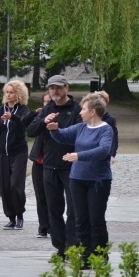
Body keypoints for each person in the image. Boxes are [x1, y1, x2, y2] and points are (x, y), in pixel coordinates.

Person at [47, 93, 114, 267]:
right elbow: (63, 136)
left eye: (83, 109)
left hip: (98, 181)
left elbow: (104, 150)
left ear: (93, 111)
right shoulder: (81, 127)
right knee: (81, 219)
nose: (80, 112)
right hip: (77, 179)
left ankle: (99, 255)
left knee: (96, 219)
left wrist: (79, 156)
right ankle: (85, 255)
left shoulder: (106, 129)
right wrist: (54, 130)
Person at [26, 75, 82, 261]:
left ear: (66, 88)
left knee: (74, 209)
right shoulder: (48, 108)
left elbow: (81, 133)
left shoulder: (76, 109)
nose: (55, 91)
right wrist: (43, 121)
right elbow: (31, 131)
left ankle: (73, 246)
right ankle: (60, 247)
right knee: (53, 209)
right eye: (51, 88)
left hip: (70, 166)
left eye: (58, 87)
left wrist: (58, 130)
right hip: (49, 166)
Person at [0, 80, 32, 230]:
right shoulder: (0, 109)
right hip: (3, 153)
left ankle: (20, 216)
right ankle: (11, 217)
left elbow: (25, 122)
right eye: (7, 92)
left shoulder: (23, 109)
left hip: (19, 152)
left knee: (16, 184)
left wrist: (13, 117)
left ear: (18, 94)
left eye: (11, 92)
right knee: (5, 186)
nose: (8, 95)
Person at [23, 92, 52, 238]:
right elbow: (30, 130)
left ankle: (54, 225)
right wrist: (41, 119)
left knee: (52, 196)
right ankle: (43, 226)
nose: (47, 104)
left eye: (50, 101)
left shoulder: (61, 116)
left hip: (53, 163)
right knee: (40, 196)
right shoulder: (41, 116)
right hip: (38, 161)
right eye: (45, 101)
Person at [94, 91, 119, 164]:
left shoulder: (110, 119)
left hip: (105, 151)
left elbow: (114, 137)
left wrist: (112, 154)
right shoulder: (90, 117)